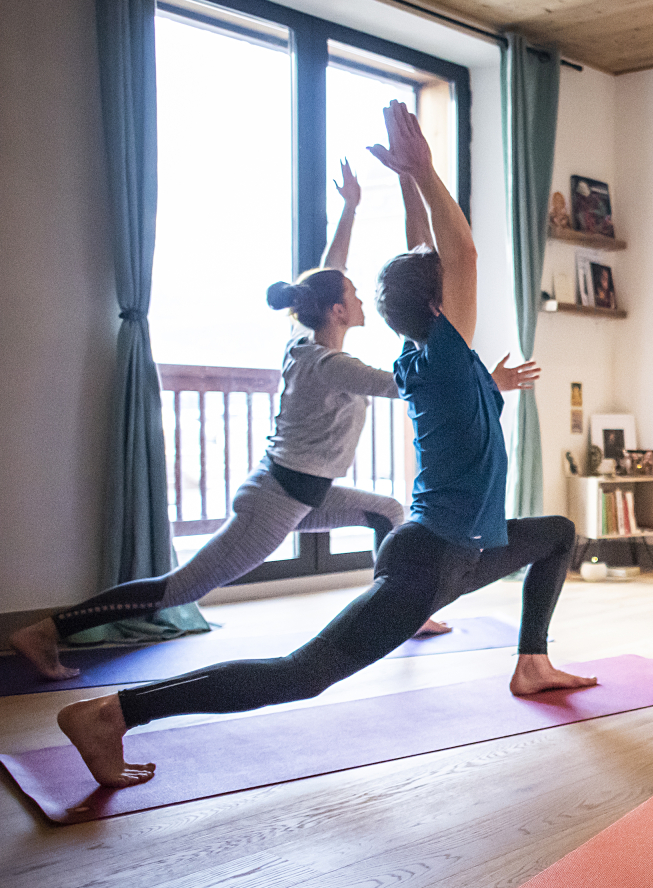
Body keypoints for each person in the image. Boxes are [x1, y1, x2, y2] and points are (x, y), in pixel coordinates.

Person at [54, 101, 594, 790]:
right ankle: (117, 712)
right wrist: (425, 170)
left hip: (469, 551)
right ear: (439, 309)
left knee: (555, 533)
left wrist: (407, 184)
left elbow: (428, 258)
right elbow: (459, 253)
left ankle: (532, 661)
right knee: (304, 674)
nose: (464, 289)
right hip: (431, 562)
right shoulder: (446, 359)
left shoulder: (426, 358)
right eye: (451, 291)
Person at [4, 159, 517, 680]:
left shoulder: (304, 342)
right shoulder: (332, 366)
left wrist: (350, 208)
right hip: (278, 499)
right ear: (337, 311)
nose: (361, 296)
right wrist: (483, 381)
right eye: (353, 295)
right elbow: (419, 386)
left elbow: (327, 272)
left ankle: (410, 608)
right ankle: (47, 631)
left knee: (387, 510)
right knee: (181, 588)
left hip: (305, 492)